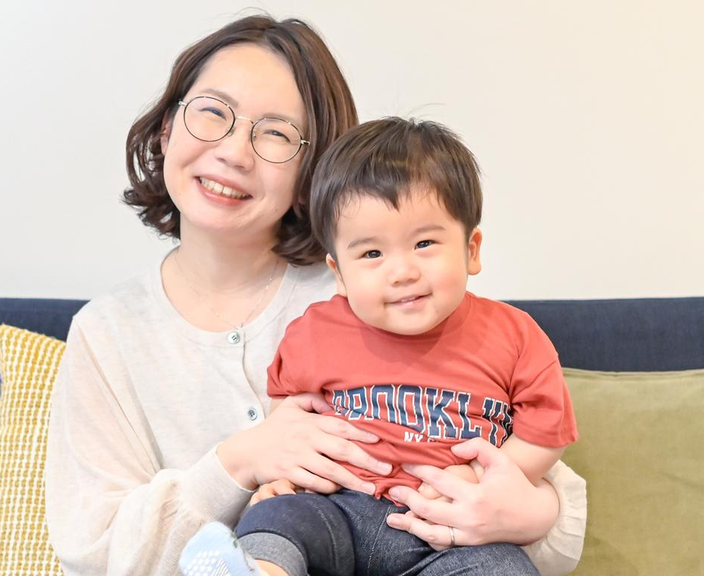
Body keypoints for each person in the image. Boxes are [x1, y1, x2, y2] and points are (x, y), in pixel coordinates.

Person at [44, 15, 587, 576]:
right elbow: (94, 550)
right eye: (212, 112)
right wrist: (240, 462)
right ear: (166, 129)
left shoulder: (376, 287)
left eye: (276, 133)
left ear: (312, 174)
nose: (234, 153)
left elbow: (550, 512)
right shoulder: (108, 333)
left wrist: (531, 512)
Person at [177, 117, 577, 576]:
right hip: (337, 507)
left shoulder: (514, 335)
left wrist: (487, 476)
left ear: (471, 249)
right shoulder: (316, 331)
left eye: (424, 243)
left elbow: (545, 434)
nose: (402, 272)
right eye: (372, 254)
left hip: (447, 528)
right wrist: (283, 476)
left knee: (503, 566)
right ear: (339, 273)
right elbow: (289, 413)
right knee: (275, 516)